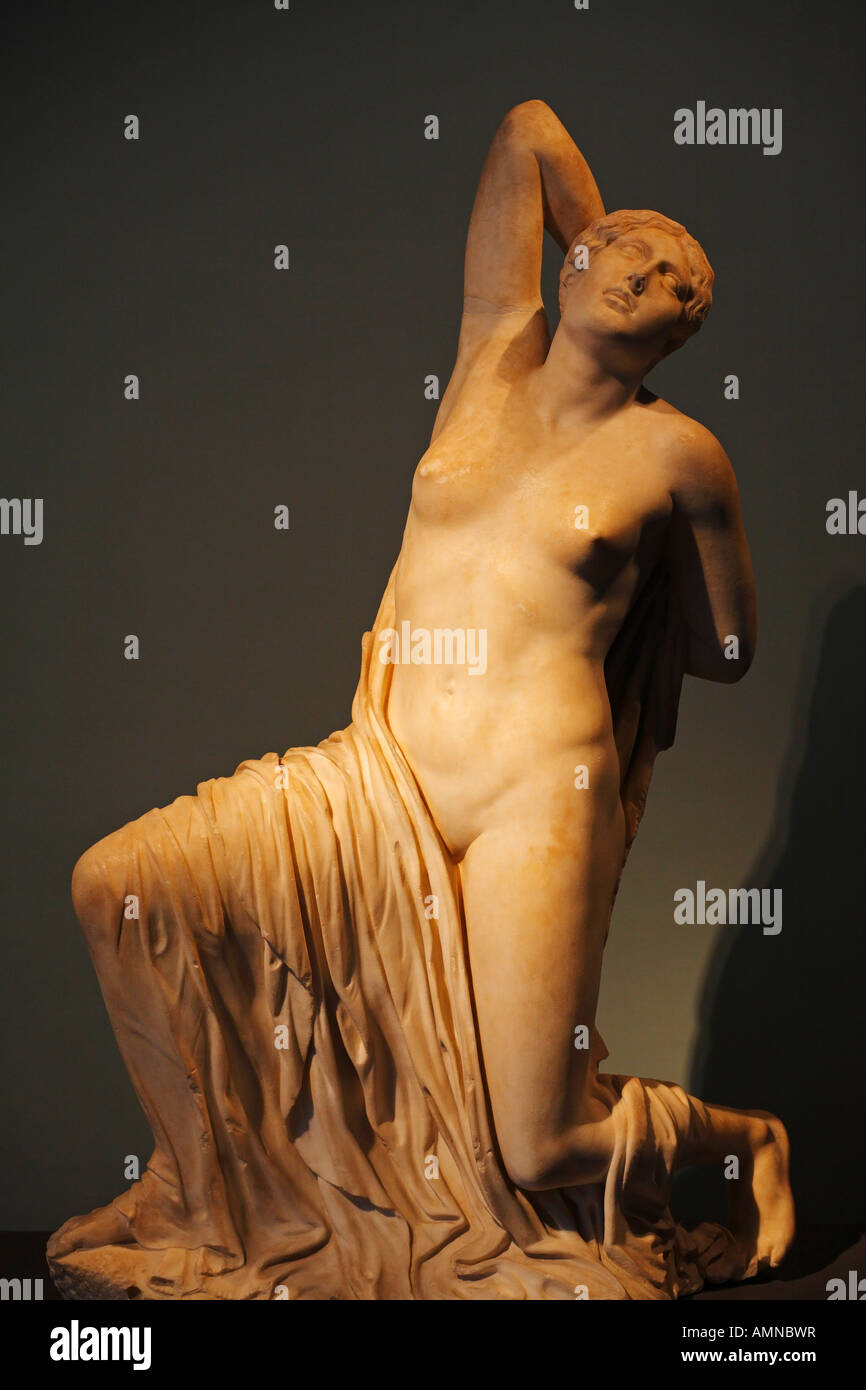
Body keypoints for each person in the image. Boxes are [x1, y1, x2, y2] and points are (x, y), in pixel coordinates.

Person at [48, 101, 794, 1301]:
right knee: (124, 887)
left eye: (677, 282)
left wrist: (612, 618)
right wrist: (599, 244)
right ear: (576, 255)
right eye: (635, 251)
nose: (650, 273)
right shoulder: (494, 351)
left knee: (534, 1141)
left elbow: (725, 649)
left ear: (680, 334)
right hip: (376, 777)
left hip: (532, 795)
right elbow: (524, 135)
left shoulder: (678, 456)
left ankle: (745, 1133)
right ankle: (199, 1190)